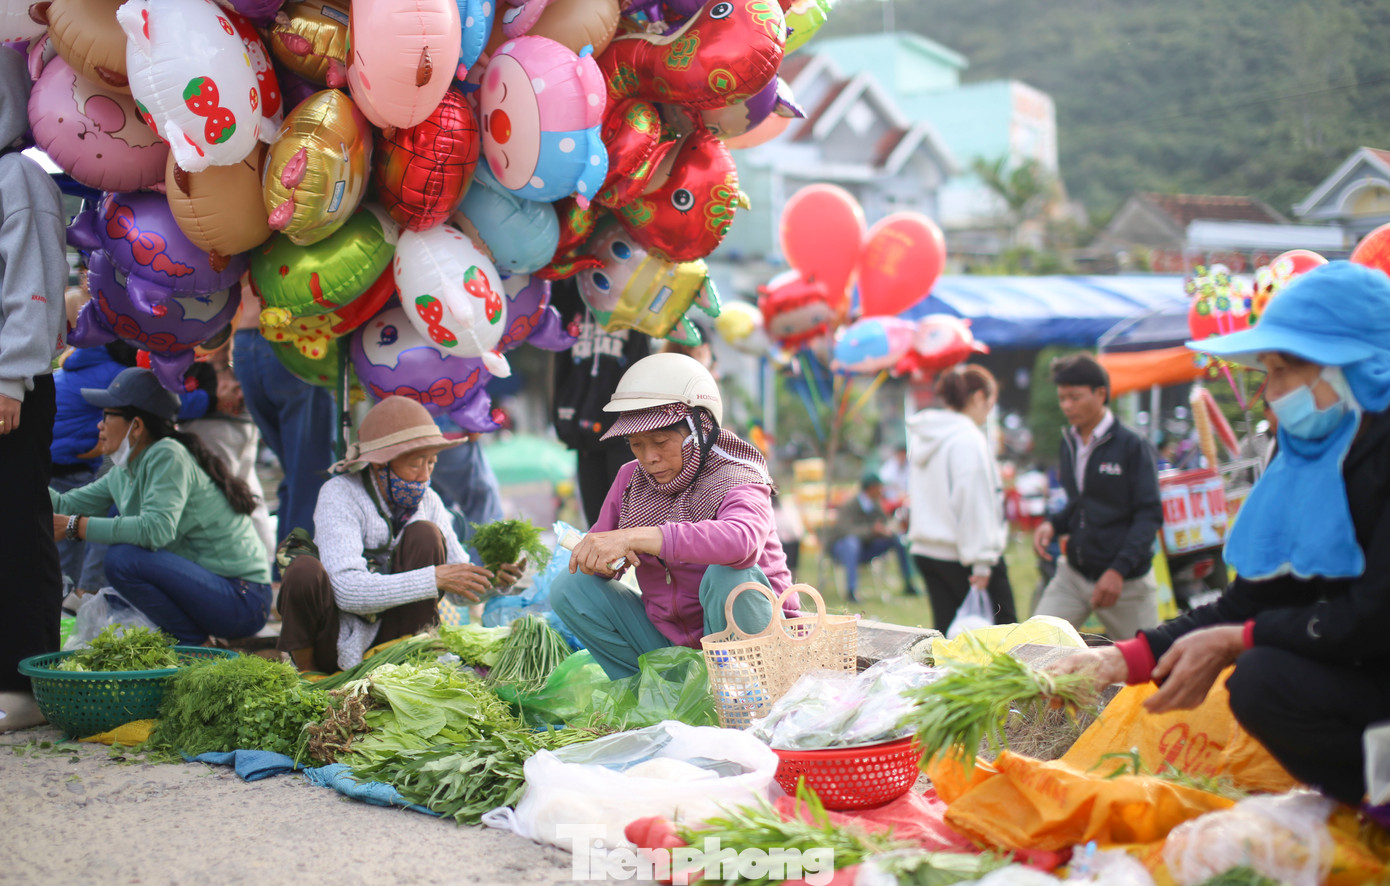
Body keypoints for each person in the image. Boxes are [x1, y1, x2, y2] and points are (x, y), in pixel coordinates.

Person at [1051, 261, 1390, 817]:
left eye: (1285, 371)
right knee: (1263, 683)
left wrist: (1243, 639)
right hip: (1368, 675)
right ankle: (1373, 805)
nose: (1269, 395)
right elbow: (1252, 601)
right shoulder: (1310, 455)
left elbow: (1374, 617)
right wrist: (1122, 660)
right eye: (1267, 374)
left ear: (1358, 369)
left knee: (1258, 671)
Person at [550, 353, 795, 680]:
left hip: (756, 643)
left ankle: (751, 700)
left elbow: (742, 543)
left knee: (731, 576)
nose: (649, 457)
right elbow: (603, 551)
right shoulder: (630, 480)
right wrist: (599, 560)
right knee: (572, 586)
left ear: (698, 430)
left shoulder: (737, 476)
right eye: (636, 444)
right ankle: (652, 697)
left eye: (661, 442)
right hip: (670, 643)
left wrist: (637, 537)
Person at [275, 396, 522, 673]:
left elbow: (458, 588)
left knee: (425, 534)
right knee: (304, 571)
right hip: (332, 642)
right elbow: (346, 590)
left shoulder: (429, 500)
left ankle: (417, 665)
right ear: (381, 464)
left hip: (397, 644)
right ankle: (308, 676)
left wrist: (492, 580)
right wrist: (434, 578)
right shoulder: (339, 494)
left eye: (431, 463)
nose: (424, 476)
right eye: (416, 464)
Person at [49, 368, 273, 646]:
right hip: (215, 593)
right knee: (119, 588)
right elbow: (64, 503)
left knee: (123, 559)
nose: (100, 425)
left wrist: (76, 526)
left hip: (243, 598)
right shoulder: (124, 470)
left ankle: (193, 644)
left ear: (137, 426)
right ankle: (193, 641)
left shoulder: (168, 454)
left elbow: (156, 529)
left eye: (107, 416)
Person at [0, 46, 69, 732]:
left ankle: (25, 679)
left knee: (16, 528)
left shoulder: (17, 176)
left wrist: (10, 378)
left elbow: (34, 288)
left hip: (12, 387)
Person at [1032, 353, 1162, 639]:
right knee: (1033, 646)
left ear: (1100, 394)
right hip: (1074, 575)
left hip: (1127, 582)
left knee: (1148, 670)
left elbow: (1149, 514)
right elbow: (1081, 504)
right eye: (1062, 398)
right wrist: (1053, 524)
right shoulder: (1069, 442)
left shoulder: (1132, 445)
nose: (1067, 405)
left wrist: (1118, 571)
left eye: (1075, 397)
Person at [907, 365, 1018, 632]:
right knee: (1005, 638)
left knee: (950, 641)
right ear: (979, 397)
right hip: (964, 557)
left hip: (928, 550)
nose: (990, 408)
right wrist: (982, 561)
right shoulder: (968, 439)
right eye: (991, 400)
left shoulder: (926, 437)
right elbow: (973, 503)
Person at [231, 277, 335, 552]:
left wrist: (220, 367)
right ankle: (299, 572)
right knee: (310, 474)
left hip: (244, 341)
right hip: (293, 336)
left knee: (296, 471)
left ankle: (286, 570)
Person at [551, 278, 652, 527]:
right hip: (582, 429)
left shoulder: (636, 294)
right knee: (597, 526)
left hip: (624, 430)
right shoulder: (573, 291)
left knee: (630, 522)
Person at [50, 341, 139, 595]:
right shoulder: (119, 374)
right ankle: (77, 599)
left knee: (65, 530)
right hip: (69, 463)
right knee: (72, 534)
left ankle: (74, 598)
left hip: (53, 458)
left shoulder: (81, 361)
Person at [828, 474, 920, 603]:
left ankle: (909, 583)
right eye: (879, 487)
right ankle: (851, 591)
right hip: (843, 549)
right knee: (851, 543)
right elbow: (844, 531)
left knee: (898, 539)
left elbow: (885, 522)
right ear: (871, 488)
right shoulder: (850, 505)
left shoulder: (875, 504)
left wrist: (885, 531)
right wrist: (871, 530)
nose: (881, 490)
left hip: (866, 547)